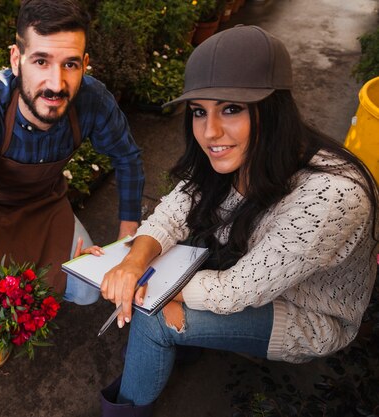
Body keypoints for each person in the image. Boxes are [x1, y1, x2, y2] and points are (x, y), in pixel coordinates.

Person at [98, 25, 379, 416]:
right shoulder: (237, 153)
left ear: (273, 109)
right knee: (167, 255)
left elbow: (236, 291)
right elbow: (177, 208)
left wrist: (152, 288)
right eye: (199, 111)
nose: (210, 132)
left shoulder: (331, 197)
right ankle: (183, 344)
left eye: (231, 108)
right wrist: (132, 262)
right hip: (252, 271)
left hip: (306, 312)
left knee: (152, 318)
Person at [0, 0, 144, 369]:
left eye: (70, 64)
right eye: (41, 61)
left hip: (45, 204)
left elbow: (128, 158)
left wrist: (127, 244)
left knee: (86, 288)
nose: (56, 84)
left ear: (85, 64)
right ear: (16, 58)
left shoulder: (93, 101)